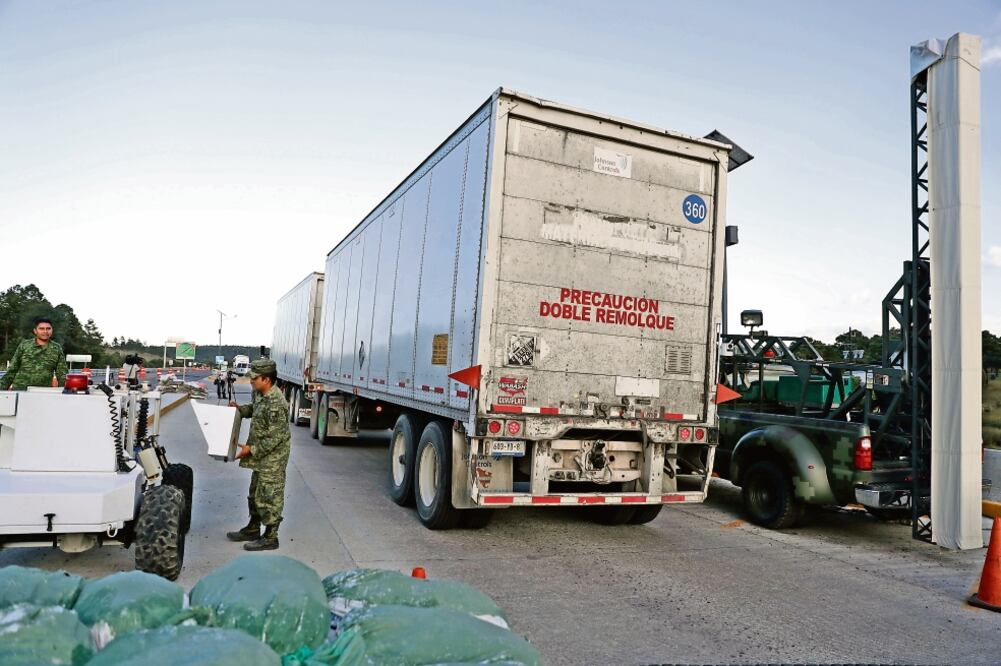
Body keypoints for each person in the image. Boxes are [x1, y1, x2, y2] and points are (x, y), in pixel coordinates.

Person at [226, 358, 291, 551]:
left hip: (273, 457)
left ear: (267, 379)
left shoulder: (276, 402)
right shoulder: (259, 393)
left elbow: (276, 438)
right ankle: (253, 528)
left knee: (270, 495)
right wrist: (240, 410)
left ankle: (271, 537)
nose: (251, 381)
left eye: (255, 378)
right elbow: (254, 409)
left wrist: (251, 450)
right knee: (255, 492)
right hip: (261, 454)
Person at [0, 317, 68, 390]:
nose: (45, 331)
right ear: (35, 331)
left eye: (48, 328)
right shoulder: (24, 346)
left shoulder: (56, 348)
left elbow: (62, 374)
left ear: (52, 330)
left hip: (43, 392)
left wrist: (64, 391)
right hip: (21, 390)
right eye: (41, 329)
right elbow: (12, 370)